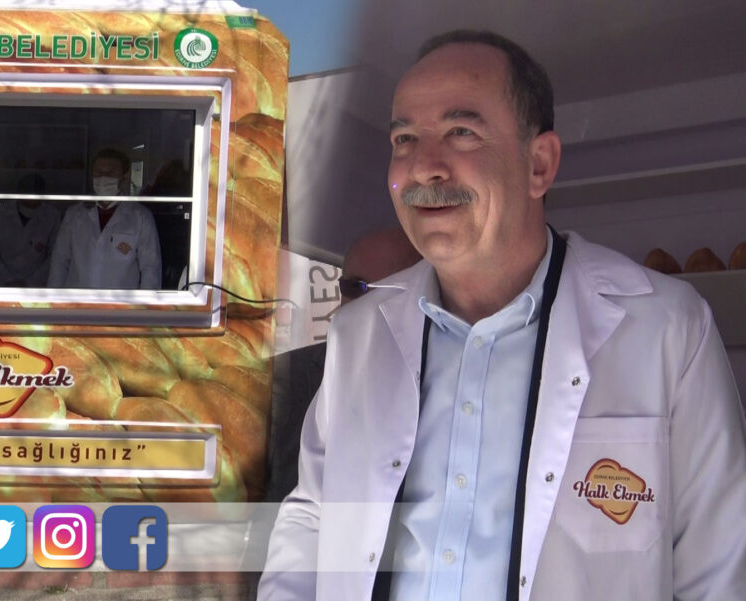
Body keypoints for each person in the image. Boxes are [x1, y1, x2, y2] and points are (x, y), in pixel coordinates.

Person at [258, 30, 746, 601]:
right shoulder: (358, 335)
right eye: (405, 139)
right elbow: (313, 518)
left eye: (461, 132)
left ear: (539, 164)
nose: (423, 168)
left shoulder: (667, 329)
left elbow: (721, 567)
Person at [265, 227, 421, 503]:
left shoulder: (446, 389)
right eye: (354, 288)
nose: (365, 306)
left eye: (387, 293)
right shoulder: (279, 380)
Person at [47, 148, 162, 289]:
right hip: (78, 299)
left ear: (125, 176)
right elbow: (59, 261)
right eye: (98, 172)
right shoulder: (75, 214)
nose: (103, 177)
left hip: (121, 301)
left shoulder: (140, 217)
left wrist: (146, 302)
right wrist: (54, 298)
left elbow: (150, 268)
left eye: (111, 173)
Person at [0, 173, 61, 287]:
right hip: (1, 284)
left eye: (36, 192)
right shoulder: (0, 213)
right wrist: (7, 280)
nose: (32, 196)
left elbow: (54, 256)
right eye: (28, 191)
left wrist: (29, 283)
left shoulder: (52, 216)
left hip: (36, 286)